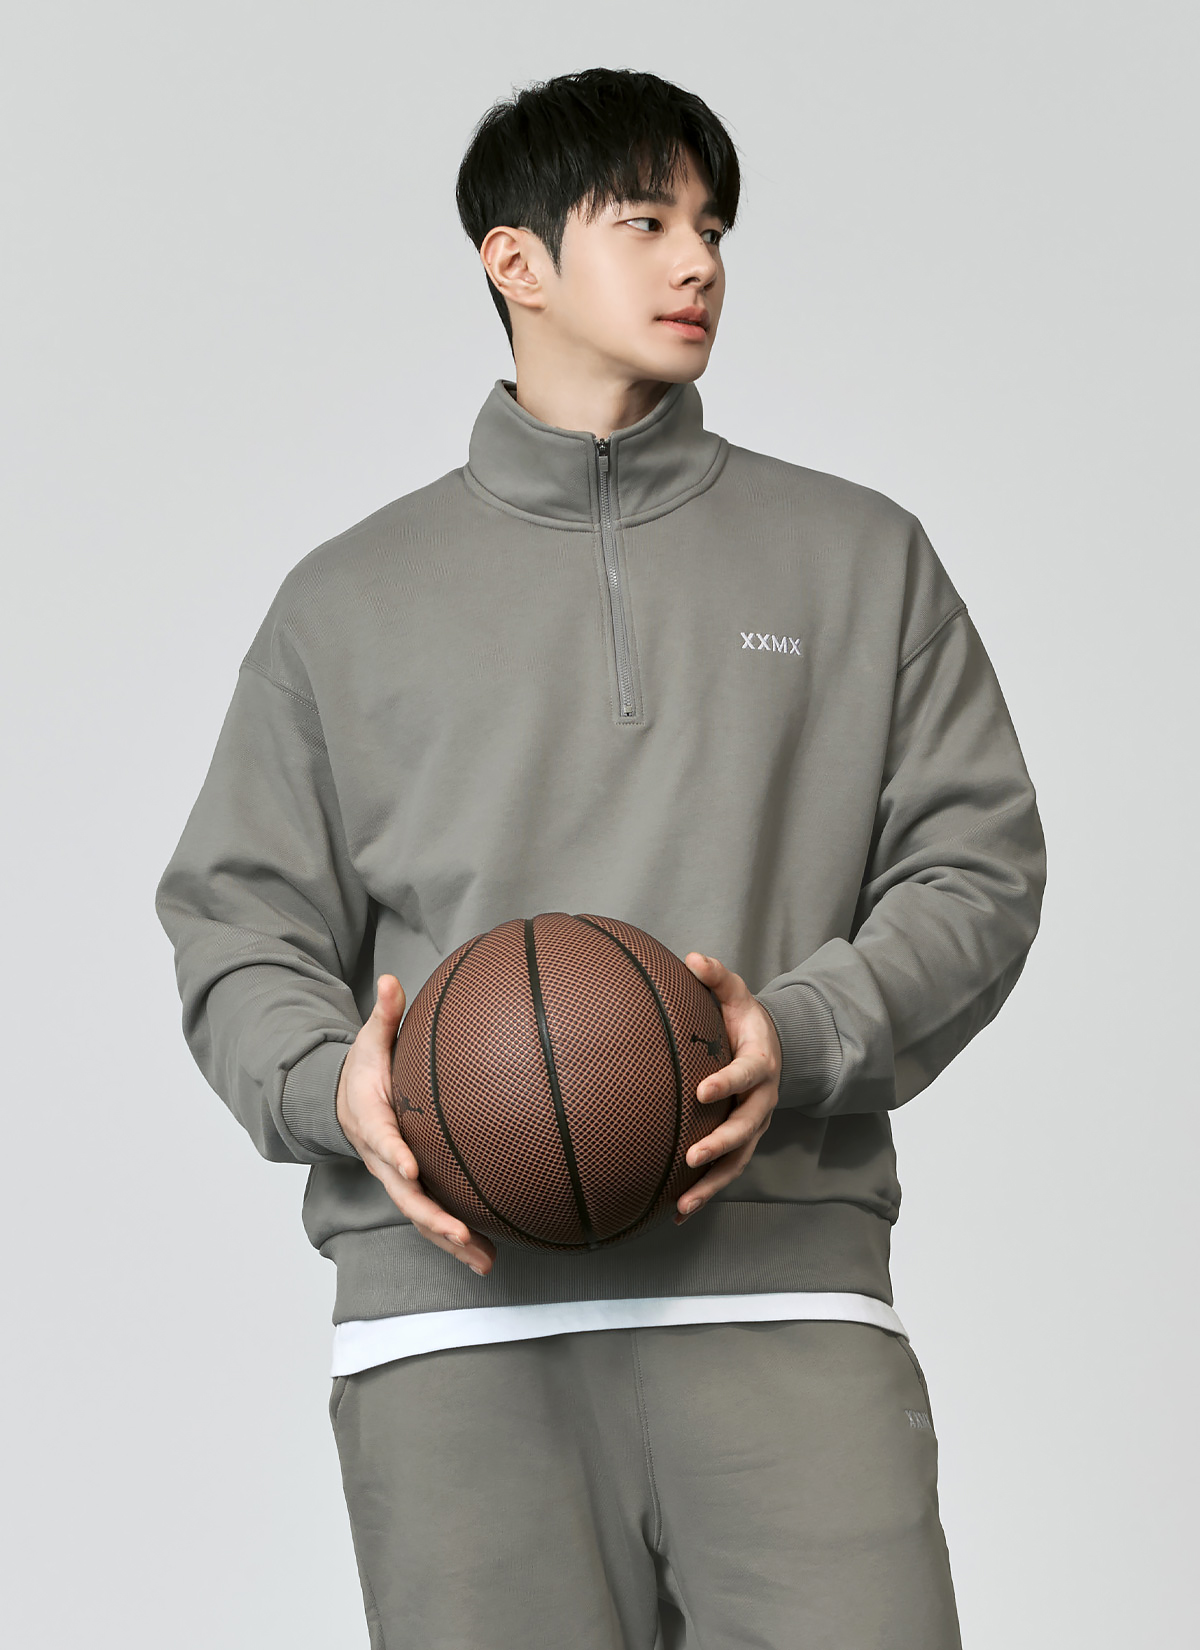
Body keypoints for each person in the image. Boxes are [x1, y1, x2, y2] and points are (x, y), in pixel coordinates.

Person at [154, 65, 1046, 1649]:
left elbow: (977, 863)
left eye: (714, 226)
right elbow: (239, 925)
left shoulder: (861, 556)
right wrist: (329, 1085)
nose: (699, 260)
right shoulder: (344, 602)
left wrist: (806, 1029)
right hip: (452, 1334)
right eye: (644, 220)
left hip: (783, 1293)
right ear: (516, 261)